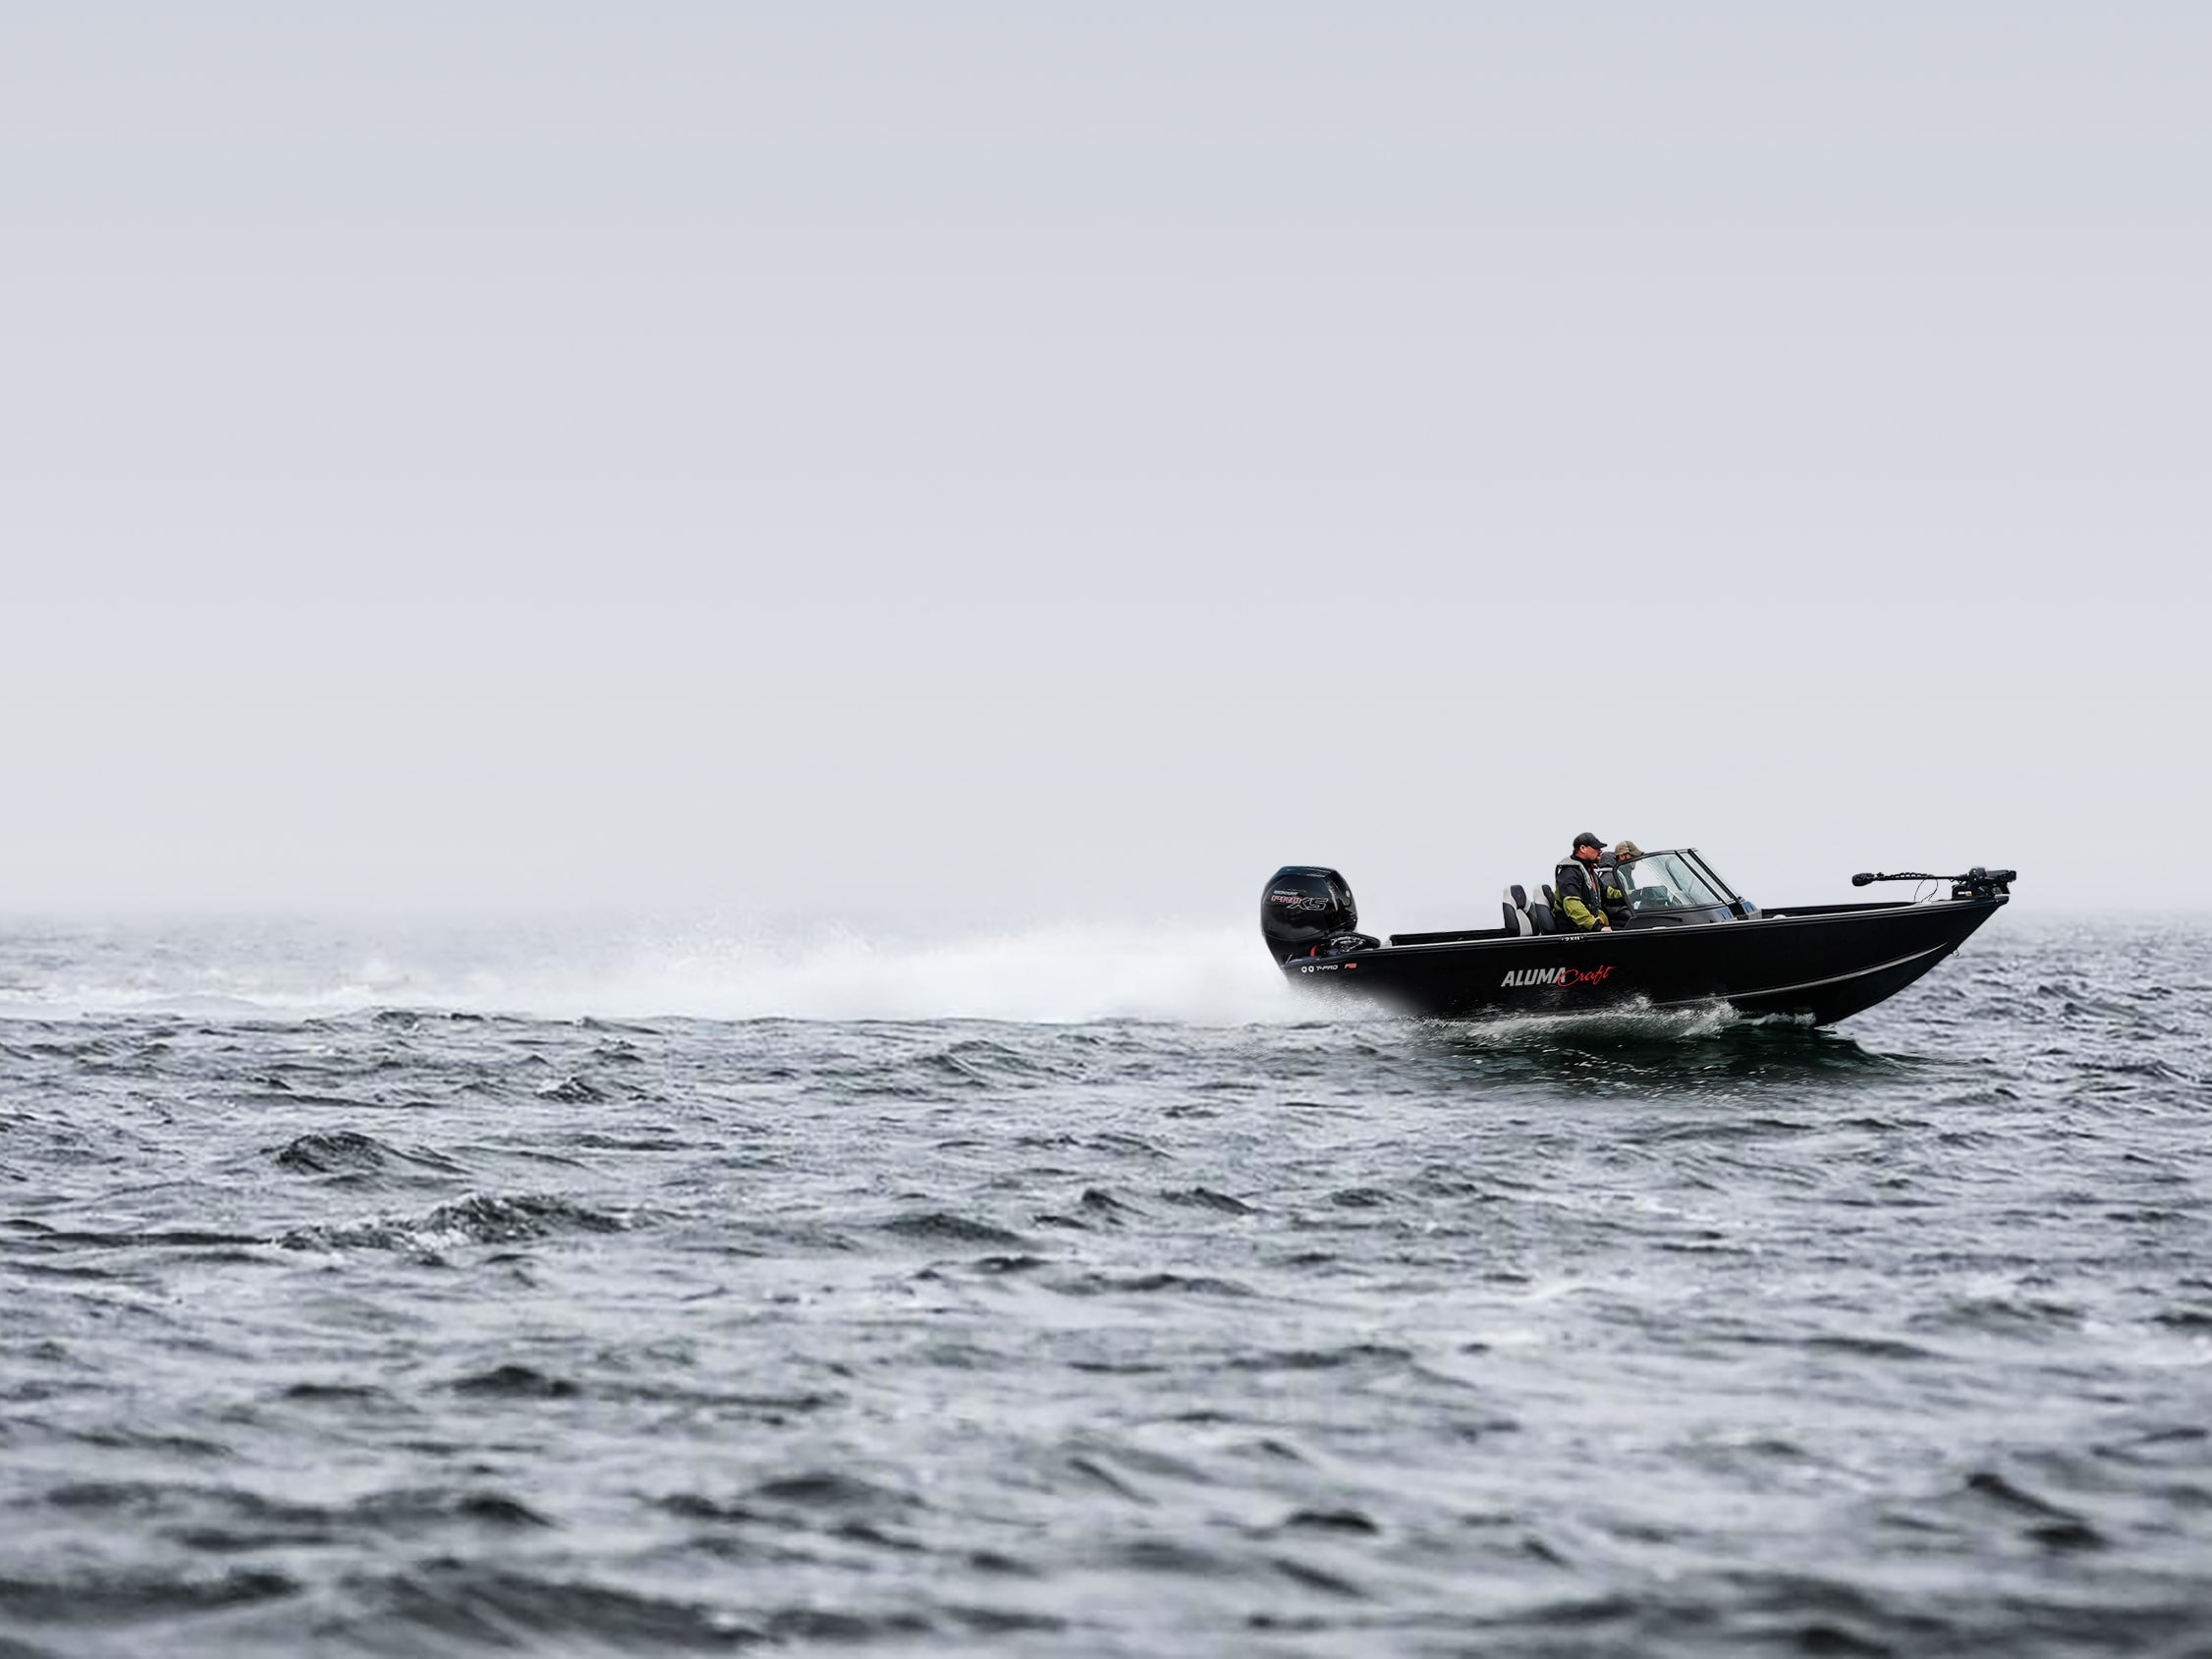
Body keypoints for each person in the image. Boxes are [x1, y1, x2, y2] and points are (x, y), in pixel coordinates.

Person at [1555, 832, 1626, 932]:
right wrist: (1598, 927)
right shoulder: (1569, 873)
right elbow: (1573, 905)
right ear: (1583, 848)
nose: (1600, 851)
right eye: (1596, 848)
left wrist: (1633, 895)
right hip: (1577, 930)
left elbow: (1607, 893)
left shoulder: (1589, 871)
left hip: (1589, 926)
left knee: (1630, 925)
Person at [1598, 840, 1644, 927]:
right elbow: (1609, 907)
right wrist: (1631, 914)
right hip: (1617, 923)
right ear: (1622, 856)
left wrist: (1642, 894)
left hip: (1624, 918)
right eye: (1633, 856)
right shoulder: (1610, 876)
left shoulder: (1624, 875)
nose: (1636, 860)